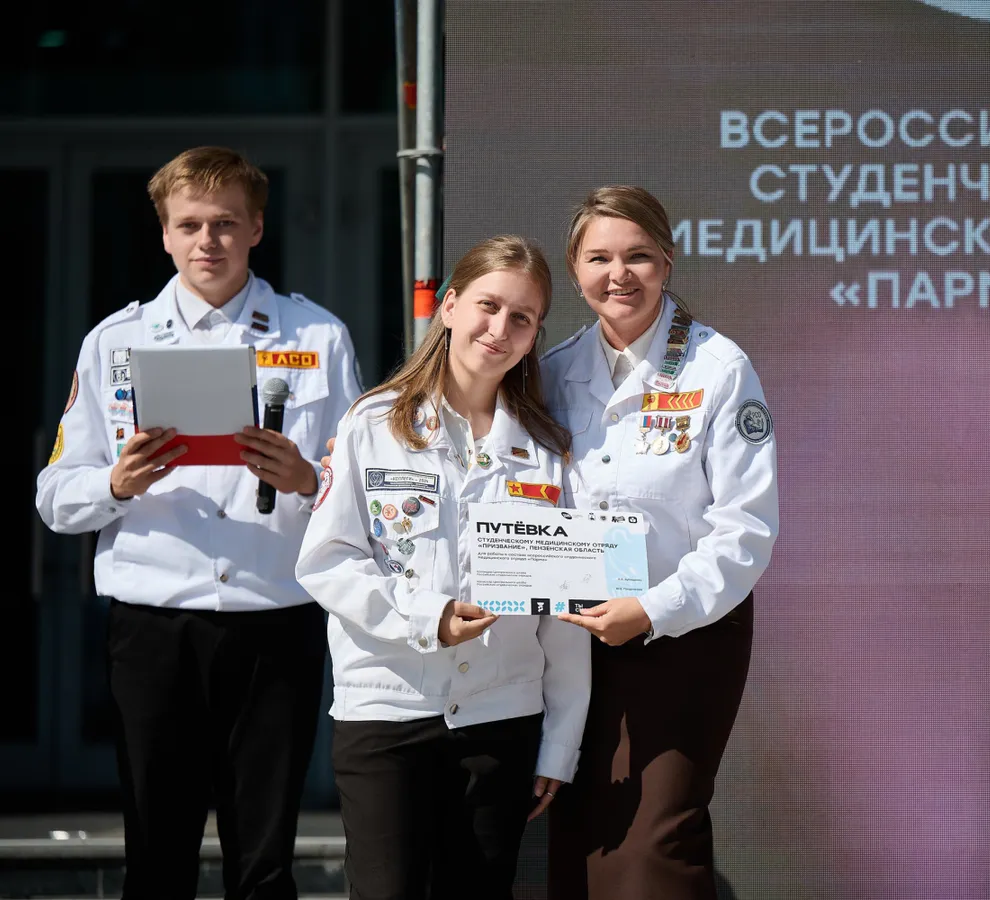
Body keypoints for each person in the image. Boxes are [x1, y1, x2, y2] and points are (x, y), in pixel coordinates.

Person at [35, 146, 363, 900]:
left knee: (264, 865)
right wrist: (116, 484)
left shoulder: (316, 336)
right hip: (154, 621)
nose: (207, 240)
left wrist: (306, 480)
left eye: (224, 223)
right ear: (164, 234)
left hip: (275, 617)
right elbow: (56, 496)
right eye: (189, 225)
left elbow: (368, 491)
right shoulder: (115, 341)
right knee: (156, 856)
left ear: (256, 228)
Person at [295, 235, 591, 900]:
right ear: (449, 306)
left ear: (536, 335)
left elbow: (565, 613)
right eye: (489, 305)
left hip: (500, 717)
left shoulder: (548, 450)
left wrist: (560, 742)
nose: (500, 328)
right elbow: (327, 562)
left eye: (523, 318)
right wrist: (426, 617)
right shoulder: (374, 422)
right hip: (387, 712)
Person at [543, 186, 779, 900]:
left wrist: (650, 610)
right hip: (571, 641)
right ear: (574, 268)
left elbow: (746, 530)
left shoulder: (718, 368)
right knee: (583, 838)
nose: (619, 275)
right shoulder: (551, 371)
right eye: (599, 258)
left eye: (638, 256)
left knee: (655, 846)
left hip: (684, 636)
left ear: (668, 262)